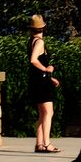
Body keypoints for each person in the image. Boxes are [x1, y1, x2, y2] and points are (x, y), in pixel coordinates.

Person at [27, 13, 61, 153]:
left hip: (38, 80)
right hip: (41, 82)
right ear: (43, 28)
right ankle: (47, 143)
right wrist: (47, 70)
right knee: (48, 112)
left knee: (42, 113)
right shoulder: (40, 42)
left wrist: (50, 77)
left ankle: (39, 143)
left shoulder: (32, 41)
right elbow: (34, 60)